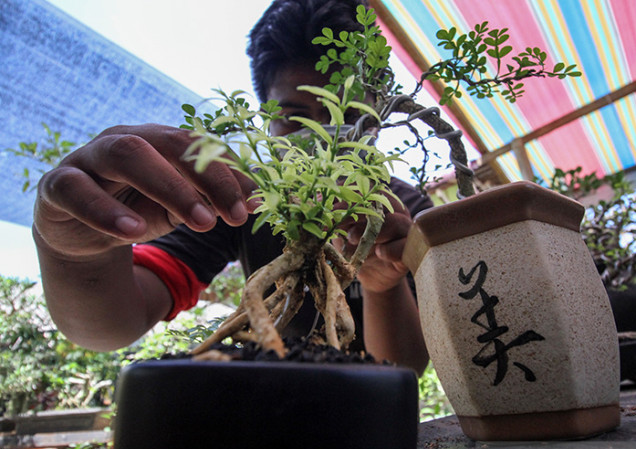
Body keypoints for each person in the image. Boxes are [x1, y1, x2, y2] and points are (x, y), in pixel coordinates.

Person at [32, 0, 431, 374]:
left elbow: (403, 372)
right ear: (266, 119)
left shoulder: (407, 213)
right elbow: (112, 326)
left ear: (379, 114)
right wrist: (75, 253)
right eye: (295, 117)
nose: (321, 137)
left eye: (347, 116)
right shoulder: (242, 197)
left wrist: (384, 287)